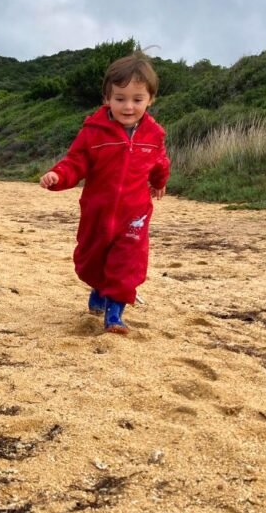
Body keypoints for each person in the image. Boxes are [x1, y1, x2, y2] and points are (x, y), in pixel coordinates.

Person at [39, 53, 170, 334]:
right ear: (107, 98)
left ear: (150, 99)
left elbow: (160, 162)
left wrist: (159, 181)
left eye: (137, 99)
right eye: (120, 98)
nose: (128, 106)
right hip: (97, 212)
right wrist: (58, 176)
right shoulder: (93, 132)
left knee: (126, 263)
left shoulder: (154, 134)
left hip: (134, 214)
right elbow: (75, 162)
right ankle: (98, 288)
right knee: (92, 261)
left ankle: (115, 314)